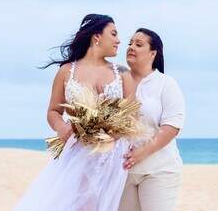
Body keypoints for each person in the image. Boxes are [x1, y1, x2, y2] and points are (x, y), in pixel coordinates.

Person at [14, 14, 135, 211]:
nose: (118, 40)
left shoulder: (122, 73)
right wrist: (61, 127)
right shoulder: (66, 72)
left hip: (113, 155)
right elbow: (53, 111)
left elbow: (132, 115)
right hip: (77, 152)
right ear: (97, 37)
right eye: (113, 34)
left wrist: (113, 132)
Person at [119, 28, 185, 211]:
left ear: (153, 53)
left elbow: (172, 126)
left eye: (138, 44)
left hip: (159, 169)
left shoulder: (166, 83)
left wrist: (142, 152)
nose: (131, 47)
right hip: (122, 170)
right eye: (130, 43)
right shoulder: (116, 81)